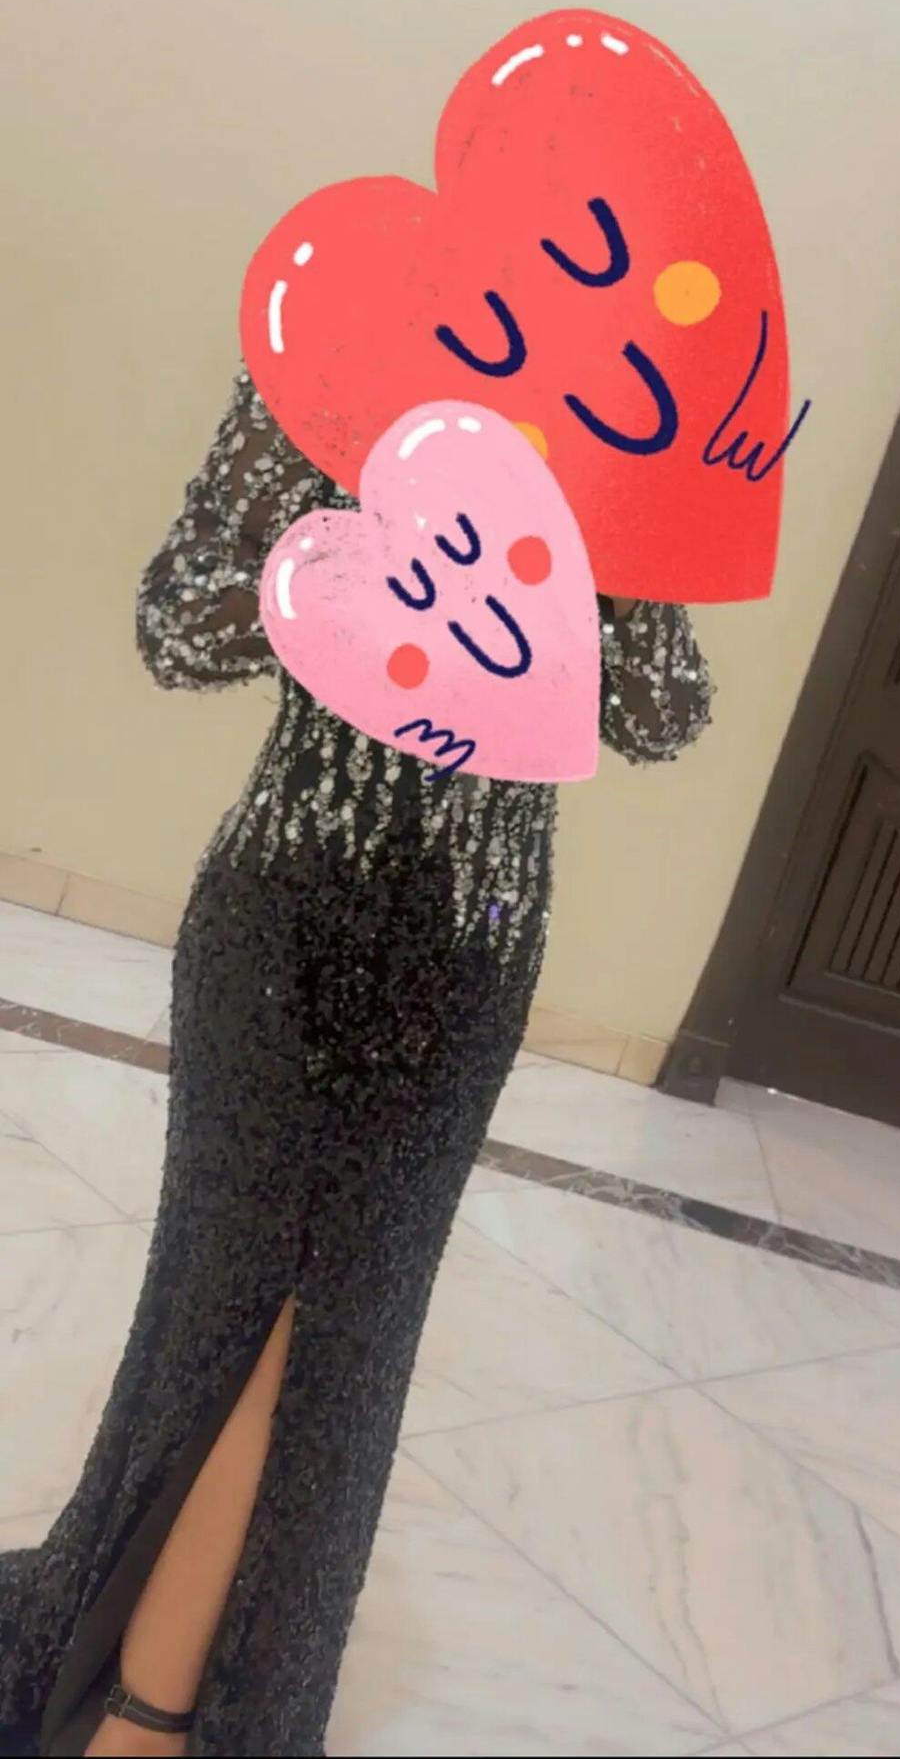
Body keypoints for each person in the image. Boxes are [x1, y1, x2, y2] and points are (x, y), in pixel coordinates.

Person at [0, 369, 712, 1757]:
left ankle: (203, 1697)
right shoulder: (335, 361)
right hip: (286, 908)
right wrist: (357, 544)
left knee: (351, 1333)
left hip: (467, 948)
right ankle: (139, 1702)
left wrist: (603, 520)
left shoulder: (615, 410)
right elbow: (179, 625)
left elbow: (662, 712)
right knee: (219, 1303)